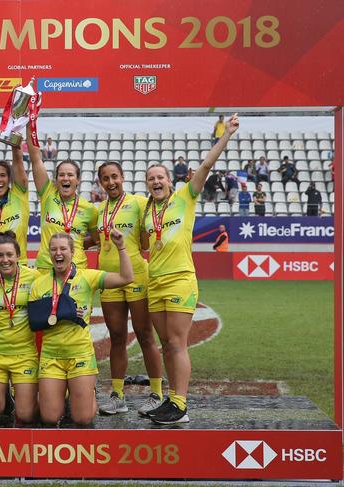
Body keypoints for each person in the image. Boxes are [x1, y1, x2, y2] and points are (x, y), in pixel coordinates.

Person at [139, 113, 239, 425]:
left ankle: (180, 405)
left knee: (177, 342)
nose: (156, 181)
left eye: (161, 177)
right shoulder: (147, 210)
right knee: (165, 344)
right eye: (151, 178)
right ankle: (172, 399)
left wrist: (226, 134)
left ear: (171, 180)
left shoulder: (185, 196)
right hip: (154, 283)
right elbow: (144, 241)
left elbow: (207, 166)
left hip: (180, 280)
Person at [28, 231, 133, 426]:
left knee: (82, 418)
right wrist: (62, 313)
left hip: (80, 355)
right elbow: (35, 322)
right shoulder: (39, 284)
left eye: (63, 249)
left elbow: (127, 277)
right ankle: (71, 394)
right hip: (51, 357)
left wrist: (121, 247)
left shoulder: (87, 277)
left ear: (72, 252)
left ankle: (87, 395)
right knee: (50, 417)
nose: (58, 253)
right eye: (53, 249)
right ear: (49, 253)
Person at [92, 162, 163, 417]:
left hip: (136, 275)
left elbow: (147, 237)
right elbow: (93, 239)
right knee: (117, 338)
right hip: (109, 278)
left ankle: (156, 394)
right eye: (105, 179)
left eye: (114, 177)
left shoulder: (138, 203)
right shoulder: (99, 210)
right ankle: (118, 396)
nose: (111, 182)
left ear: (123, 177)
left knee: (145, 335)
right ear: (100, 182)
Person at [0, 231, 41, 425]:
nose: (5, 260)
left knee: (25, 416)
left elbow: (55, 295)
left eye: (9, 255)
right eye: (0, 255)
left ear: (18, 256)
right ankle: (4, 397)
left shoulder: (34, 278)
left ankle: (40, 400)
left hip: (24, 355)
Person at [27, 127, 99, 272]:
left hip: (76, 269)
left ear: (78, 180)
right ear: (56, 179)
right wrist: (30, 121)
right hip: (46, 268)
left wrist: (76, 244)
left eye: (70, 175)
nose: (66, 178)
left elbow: (97, 240)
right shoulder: (48, 193)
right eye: (61, 175)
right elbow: (35, 157)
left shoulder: (89, 209)